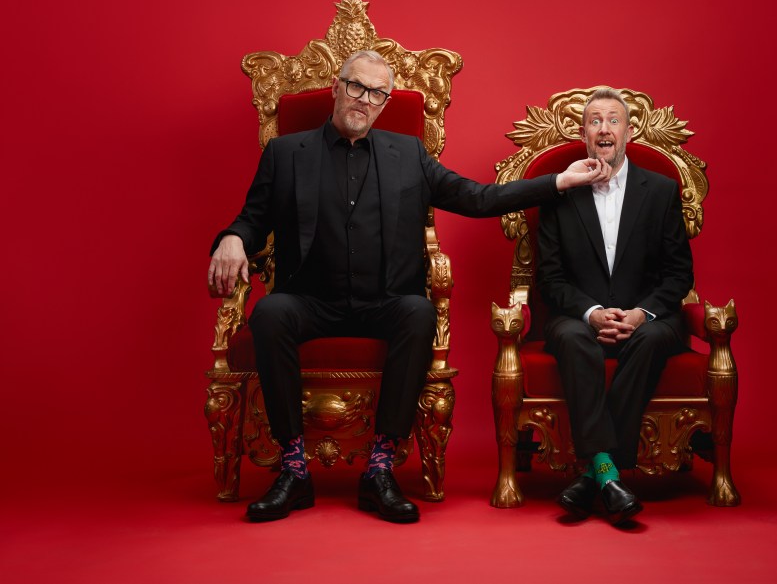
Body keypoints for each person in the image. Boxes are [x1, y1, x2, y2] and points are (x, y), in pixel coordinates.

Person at [208, 50, 611, 523]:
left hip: (384, 300)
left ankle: (380, 470)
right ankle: (294, 469)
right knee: (268, 313)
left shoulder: (409, 155)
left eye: (377, 93)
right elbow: (253, 219)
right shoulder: (285, 153)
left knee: (419, 313)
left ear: (384, 104)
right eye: (357, 87)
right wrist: (233, 238)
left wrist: (559, 181)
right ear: (336, 88)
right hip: (309, 299)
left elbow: (477, 198)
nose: (365, 100)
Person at [537, 87, 693, 525]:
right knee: (570, 336)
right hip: (578, 319)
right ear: (582, 132)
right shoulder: (560, 193)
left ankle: (593, 475)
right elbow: (549, 280)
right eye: (594, 121)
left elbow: (679, 275)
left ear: (629, 129)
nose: (604, 128)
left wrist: (641, 313)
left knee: (653, 337)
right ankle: (609, 475)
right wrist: (592, 313)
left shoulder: (661, 191)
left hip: (647, 319)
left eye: (613, 120)